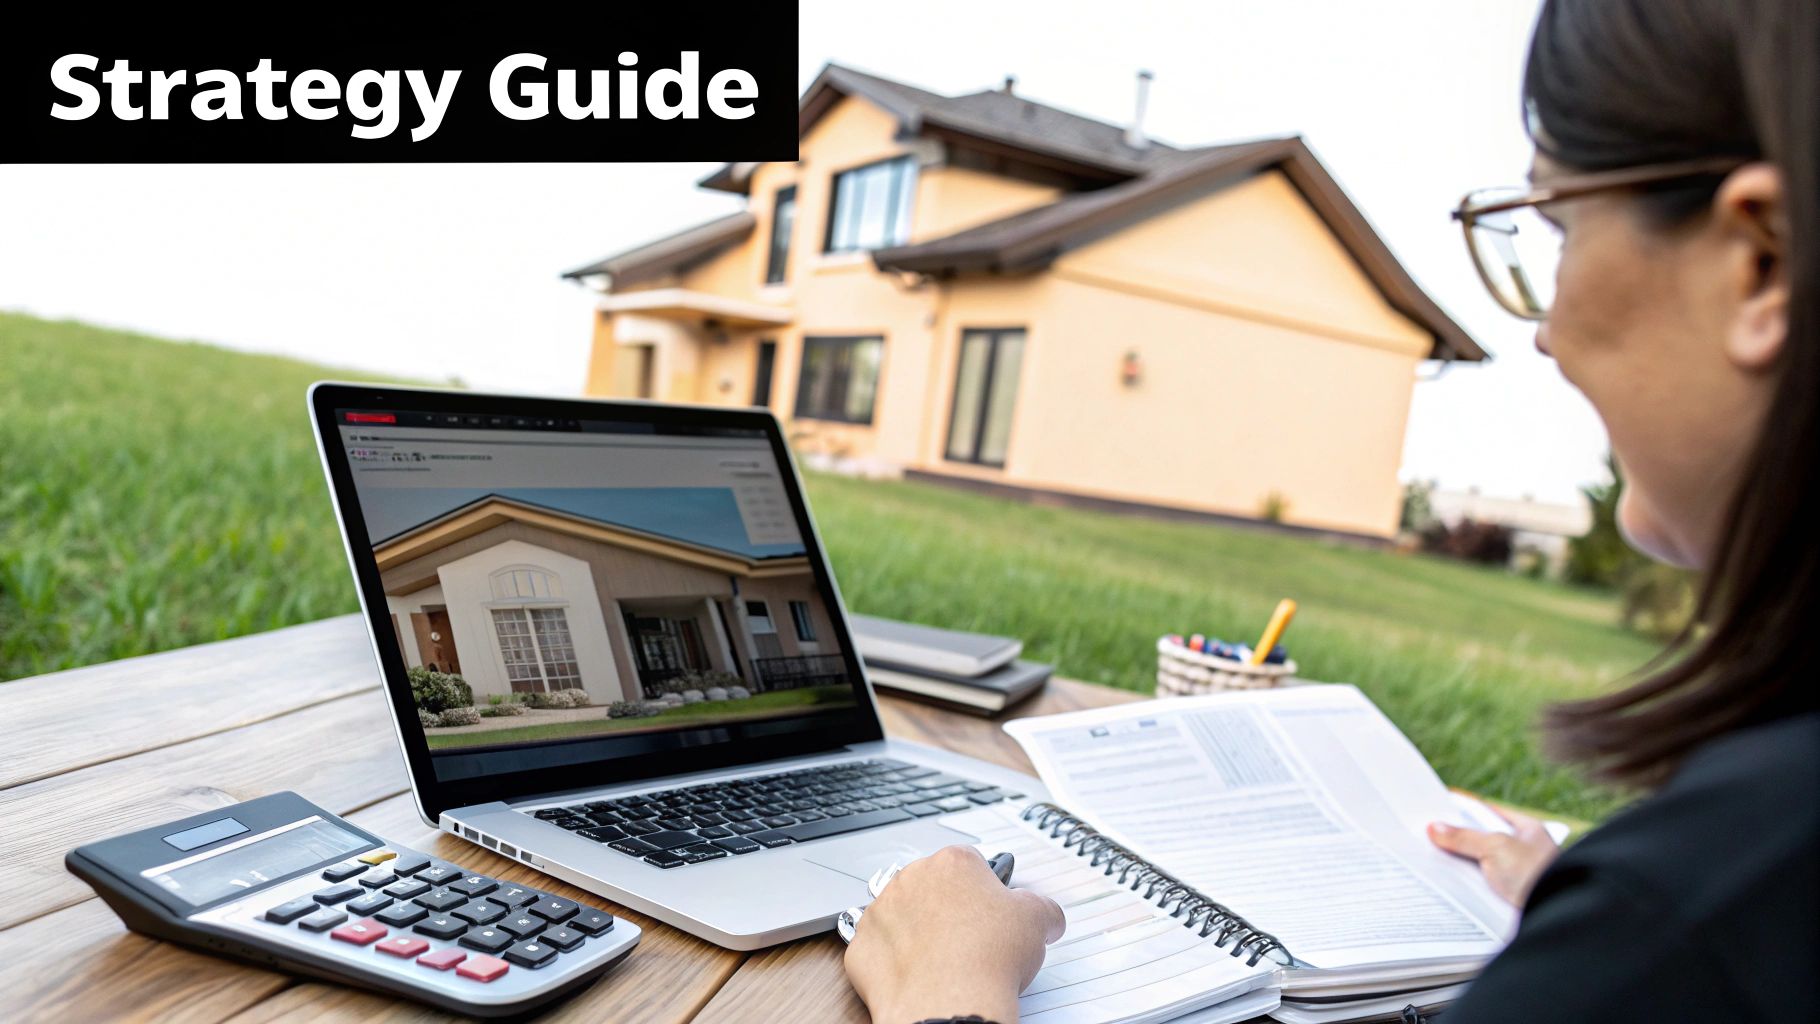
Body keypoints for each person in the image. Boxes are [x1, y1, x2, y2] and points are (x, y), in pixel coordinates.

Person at [842, 0, 1820, 1020]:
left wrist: (945, 984)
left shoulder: (1696, 906)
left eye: (1559, 226)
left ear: (1755, 263)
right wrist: (1579, 928)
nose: (1548, 331)